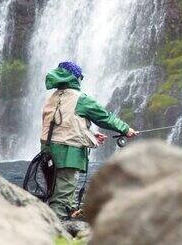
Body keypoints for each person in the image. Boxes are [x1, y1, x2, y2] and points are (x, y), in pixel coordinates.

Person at [40, 61, 137, 220]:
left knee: (53, 188)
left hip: (47, 152)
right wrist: (126, 129)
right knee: (63, 191)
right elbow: (104, 117)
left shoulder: (53, 97)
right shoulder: (79, 98)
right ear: (75, 78)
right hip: (67, 152)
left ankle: (68, 212)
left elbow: (62, 124)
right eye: (80, 77)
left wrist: (89, 134)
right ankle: (56, 231)